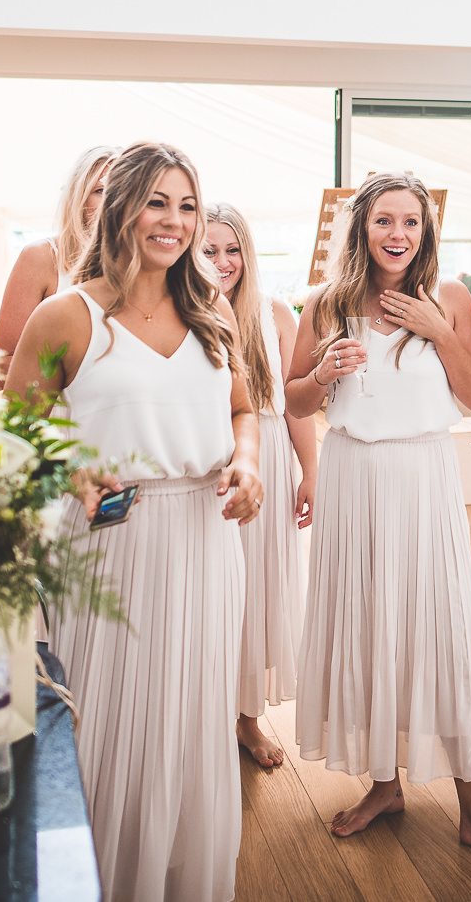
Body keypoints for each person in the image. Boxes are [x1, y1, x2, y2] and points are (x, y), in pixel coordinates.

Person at [5, 141, 263, 902]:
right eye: (158, 201)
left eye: (187, 204)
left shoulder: (210, 305)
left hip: (208, 538)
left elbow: (243, 408)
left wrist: (247, 463)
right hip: (111, 542)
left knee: (193, 721)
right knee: (108, 725)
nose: (175, 221)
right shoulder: (65, 315)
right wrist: (68, 467)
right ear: (118, 206)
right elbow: (12, 437)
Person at [285, 172, 471, 863]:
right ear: (362, 229)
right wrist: (322, 375)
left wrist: (438, 329)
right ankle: (384, 784)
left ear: (426, 230)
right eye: (383, 221)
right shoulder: (325, 302)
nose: (397, 234)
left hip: (425, 477)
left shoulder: (451, 297)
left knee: (441, 628)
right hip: (352, 478)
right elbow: (293, 400)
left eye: (410, 221)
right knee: (369, 623)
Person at [200, 203, 319, 768]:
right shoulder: (184, 310)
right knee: (210, 593)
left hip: (269, 458)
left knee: (258, 592)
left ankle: (247, 720)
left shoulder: (276, 314)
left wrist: (310, 471)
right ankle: (203, 714)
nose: (222, 262)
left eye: (232, 249)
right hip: (210, 466)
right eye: (209, 249)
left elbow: (296, 403)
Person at [0, 144, 117, 376]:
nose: (112, 201)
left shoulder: (146, 269)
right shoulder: (41, 257)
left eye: (121, 191)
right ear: (79, 197)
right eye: (100, 191)